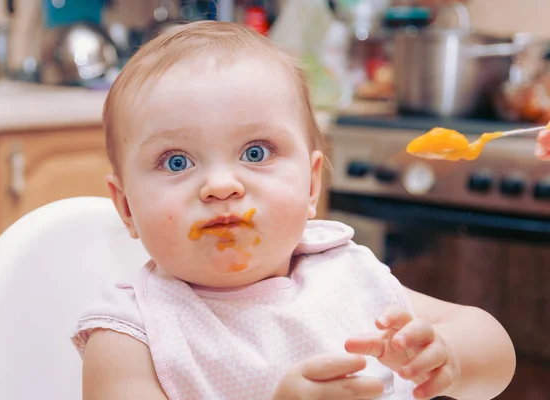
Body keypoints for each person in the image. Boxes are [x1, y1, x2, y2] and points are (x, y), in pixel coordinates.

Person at [72, 21, 516, 400]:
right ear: (126, 207)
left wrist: (449, 357)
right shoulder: (129, 335)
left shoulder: (345, 274)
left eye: (256, 152)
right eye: (176, 161)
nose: (222, 186)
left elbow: (494, 349)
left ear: (310, 184)